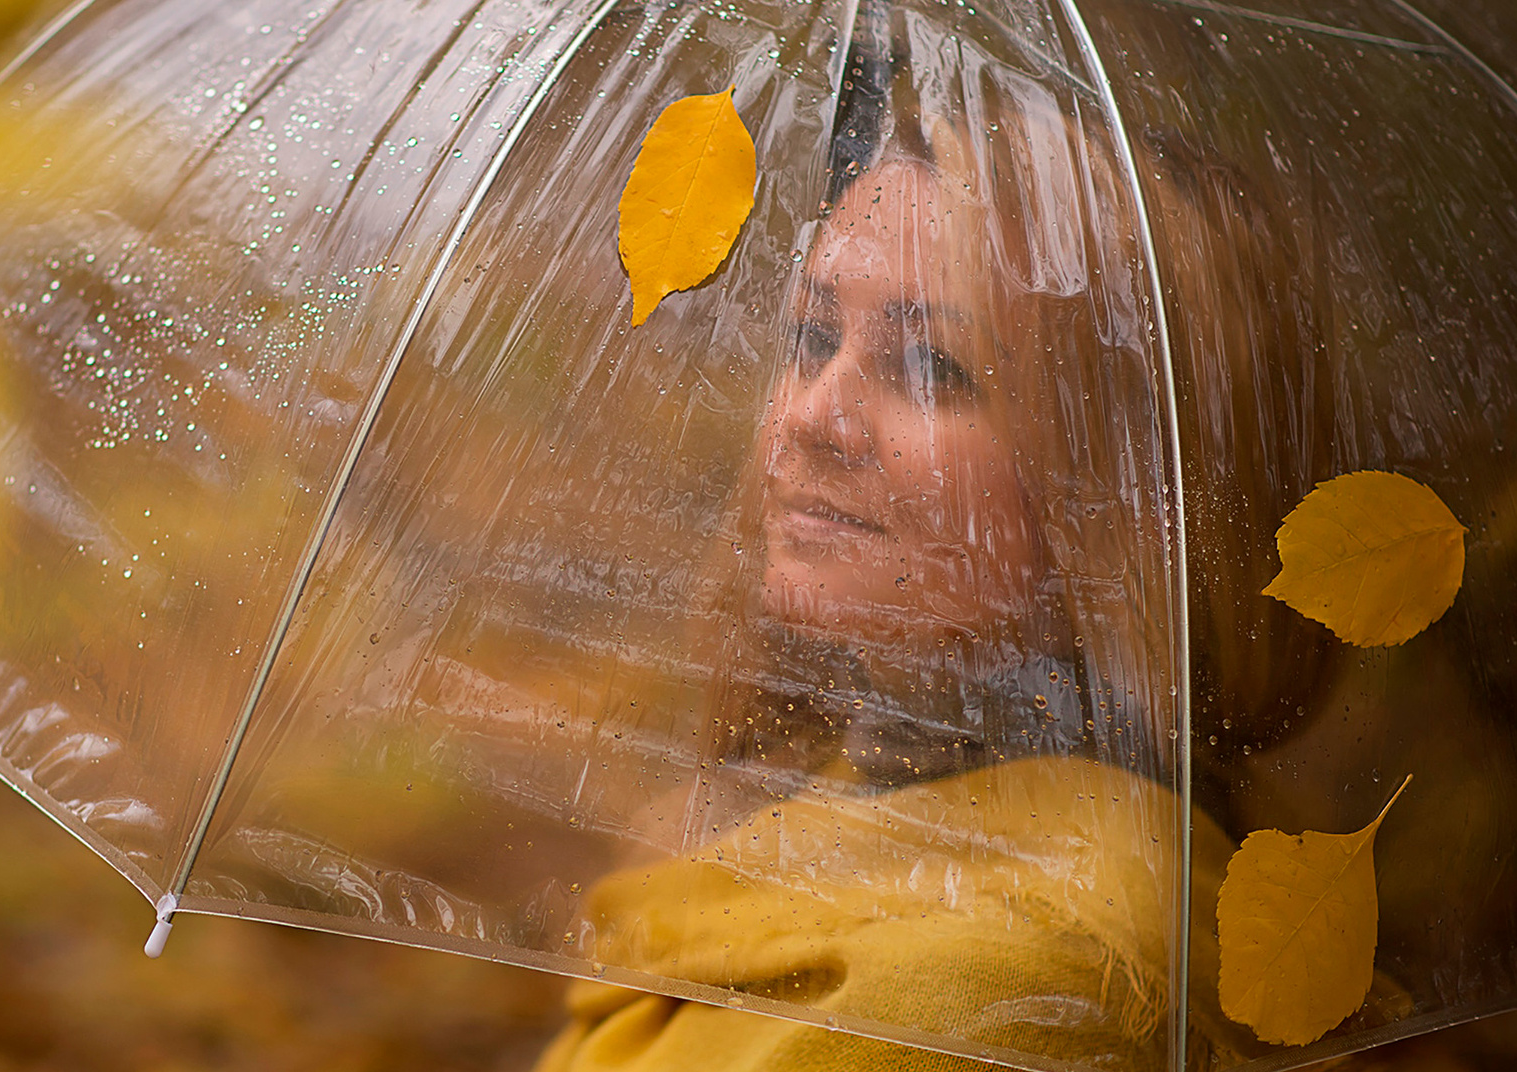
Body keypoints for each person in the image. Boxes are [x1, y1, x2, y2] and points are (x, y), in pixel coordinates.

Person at [533, 17, 1351, 1071]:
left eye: (931, 368)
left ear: (1138, 492)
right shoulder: (806, 811)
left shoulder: (1017, 992)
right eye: (812, 336)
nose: (809, 419)